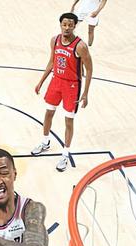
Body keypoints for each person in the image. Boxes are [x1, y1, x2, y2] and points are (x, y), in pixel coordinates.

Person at [32, 12, 93, 172]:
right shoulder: (54, 40)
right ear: (60, 25)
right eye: (64, 24)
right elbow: (51, 62)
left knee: (68, 121)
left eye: (70, 25)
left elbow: (89, 69)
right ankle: (45, 142)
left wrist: (85, 93)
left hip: (72, 86)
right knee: (48, 113)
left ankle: (65, 154)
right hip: (56, 81)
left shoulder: (80, 46)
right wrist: (41, 81)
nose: (66, 28)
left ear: (74, 26)